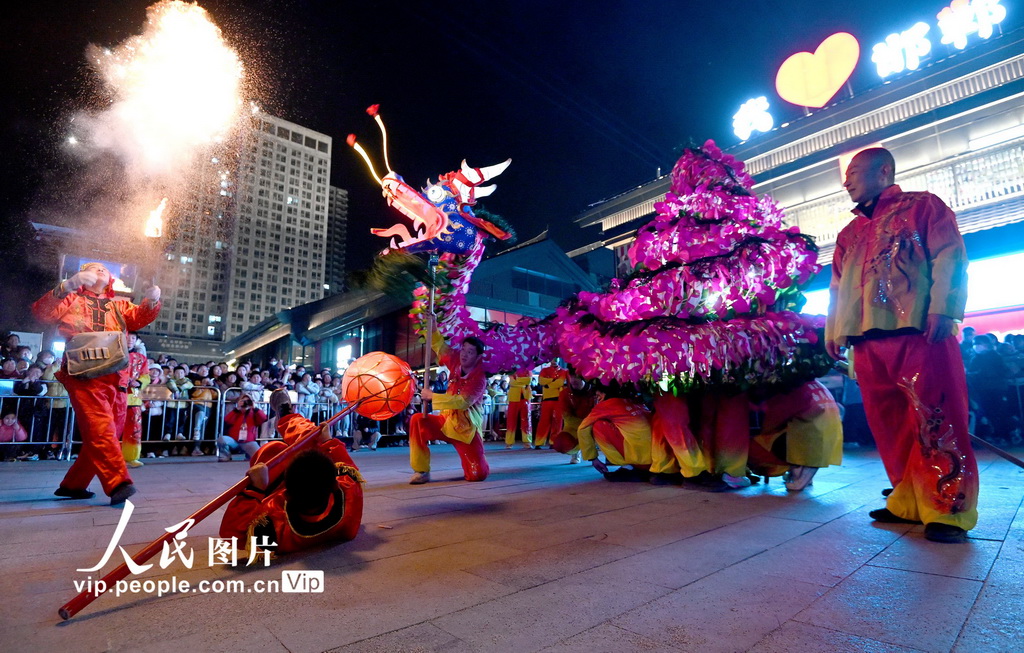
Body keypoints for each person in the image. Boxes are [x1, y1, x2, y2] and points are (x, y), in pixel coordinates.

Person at [826, 147, 977, 543]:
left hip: (917, 331)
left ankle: (948, 507)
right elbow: (838, 288)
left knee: (936, 417)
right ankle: (907, 500)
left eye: (855, 172)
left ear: (884, 171)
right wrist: (834, 331)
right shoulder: (849, 233)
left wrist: (943, 308)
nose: (847, 180)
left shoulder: (924, 206)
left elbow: (950, 254)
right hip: (866, 339)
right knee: (888, 424)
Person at [31, 262, 160, 505]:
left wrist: (151, 301)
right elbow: (42, 312)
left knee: (110, 430)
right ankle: (118, 482)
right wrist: (67, 286)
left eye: (103, 268)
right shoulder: (71, 299)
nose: (99, 269)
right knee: (101, 427)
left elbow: (139, 318)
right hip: (83, 371)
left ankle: (74, 484)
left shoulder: (119, 304)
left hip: (116, 373)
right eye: (92, 267)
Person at [219, 389, 363, 555]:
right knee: (314, 442)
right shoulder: (349, 491)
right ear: (334, 484)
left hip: (280, 490)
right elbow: (346, 465)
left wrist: (255, 490)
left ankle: (287, 416)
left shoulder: (273, 527)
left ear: (285, 493)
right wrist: (328, 441)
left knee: (275, 450)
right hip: (314, 493)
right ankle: (287, 417)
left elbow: (231, 531)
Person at [408, 318, 490, 484]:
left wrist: (432, 396)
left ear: (478, 356)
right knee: (417, 420)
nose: (464, 354)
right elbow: (438, 345)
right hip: (445, 422)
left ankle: (478, 462)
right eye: (463, 350)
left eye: (470, 352)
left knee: (477, 475)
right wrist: (433, 325)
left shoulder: (480, 378)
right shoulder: (454, 361)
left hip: (465, 430)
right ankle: (421, 470)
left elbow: (463, 401)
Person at [748, 380, 844, 491]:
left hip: (809, 438)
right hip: (828, 436)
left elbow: (772, 423)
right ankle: (803, 473)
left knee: (757, 445)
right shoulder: (813, 384)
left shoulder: (790, 389)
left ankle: (798, 472)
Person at [576, 387, 654, 482]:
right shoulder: (636, 401)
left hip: (642, 462)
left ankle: (628, 468)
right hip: (658, 459)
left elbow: (582, 428)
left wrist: (592, 458)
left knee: (598, 425)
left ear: (603, 394)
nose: (598, 399)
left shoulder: (605, 405)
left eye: (598, 396)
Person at [120, 333, 150, 468]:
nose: (130, 340)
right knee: (112, 429)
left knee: (134, 429)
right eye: (127, 337)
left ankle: (132, 456)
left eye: (133, 338)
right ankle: (110, 456)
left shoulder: (141, 358)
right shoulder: (114, 355)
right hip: (116, 397)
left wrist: (139, 382)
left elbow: (146, 376)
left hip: (134, 398)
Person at [220, 395, 267, 462]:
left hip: (248, 442)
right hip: (234, 442)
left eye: (247, 401)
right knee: (222, 439)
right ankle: (225, 456)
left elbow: (263, 418)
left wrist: (255, 408)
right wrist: (237, 409)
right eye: (242, 401)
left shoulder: (254, 413)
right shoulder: (235, 412)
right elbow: (227, 420)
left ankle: (248, 456)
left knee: (259, 457)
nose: (245, 403)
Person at [534, 360, 569, 448]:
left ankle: (554, 442)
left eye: (556, 358)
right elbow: (541, 381)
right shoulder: (544, 370)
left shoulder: (564, 371)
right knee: (544, 421)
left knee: (558, 421)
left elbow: (561, 382)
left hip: (559, 399)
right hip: (547, 399)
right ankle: (539, 442)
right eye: (553, 358)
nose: (554, 361)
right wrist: (554, 380)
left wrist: (549, 384)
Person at [504, 367, 533, 449]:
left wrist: (518, 380)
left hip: (525, 397)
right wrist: (523, 381)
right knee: (511, 420)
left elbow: (529, 380)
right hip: (514, 398)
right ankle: (509, 442)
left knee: (527, 420)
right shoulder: (511, 370)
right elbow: (513, 382)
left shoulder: (528, 369)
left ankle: (527, 441)